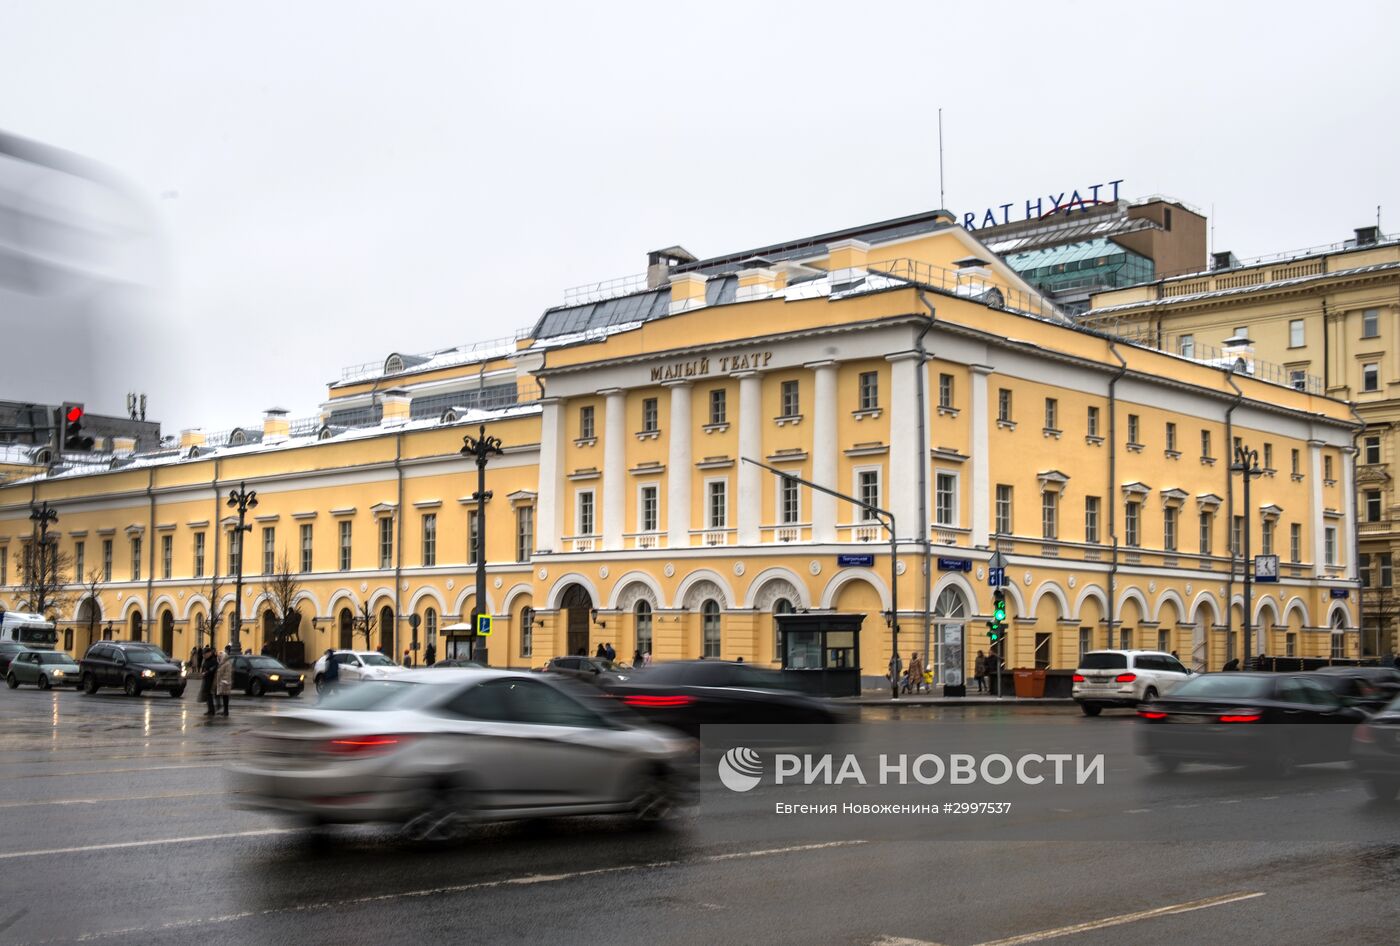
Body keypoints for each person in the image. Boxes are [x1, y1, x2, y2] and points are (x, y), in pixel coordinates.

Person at [215, 649, 234, 716]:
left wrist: (224, 680)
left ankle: (226, 711)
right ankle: (225, 711)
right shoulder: (225, 663)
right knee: (224, 697)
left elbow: (223, 673)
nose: (219, 658)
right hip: (224, 682)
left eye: (220, 657)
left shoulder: (226, 664)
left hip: (225, 682)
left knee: (225, 697)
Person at [199, 646, 217, 714]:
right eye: (203, 654)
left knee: (209, 695)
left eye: (204, 654)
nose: (203, 655)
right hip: (206, 679)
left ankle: (212, 710)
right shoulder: (206, 660)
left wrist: (206, 672)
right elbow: (204, 667)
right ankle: (210, 709)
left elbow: (213, 668)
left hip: (211, 680)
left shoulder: (213, 660)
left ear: (209, 653)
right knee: (207, 695)